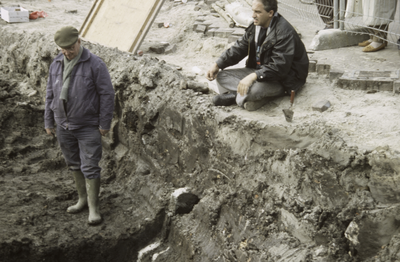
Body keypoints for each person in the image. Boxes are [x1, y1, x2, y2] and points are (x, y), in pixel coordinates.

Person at [44, 26, 115, 225]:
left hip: (87, 126)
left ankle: (94, 208)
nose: (67, 52)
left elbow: (107, 94)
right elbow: (50, 93)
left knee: (90, 166)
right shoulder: (56, 64)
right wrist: (49, 120)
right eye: (62, 48)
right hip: (63, 125)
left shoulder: (95, 64)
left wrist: (104, 123)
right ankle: (82, 200)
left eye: (70, 47)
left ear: (79, 42)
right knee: (73, 163)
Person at [206, 0, 309, 111]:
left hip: (284, 80)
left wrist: (253, 76)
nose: (253, 15)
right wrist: (218, 64)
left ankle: (241, 96)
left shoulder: (284, 32)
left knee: (255, 90)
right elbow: (240, 48)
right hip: (261, 72)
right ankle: (247, 97)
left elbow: (279, 68)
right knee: (221, 76)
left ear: (270, 13)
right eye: (253, 11)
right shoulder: (255, 25)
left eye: (258, 12)